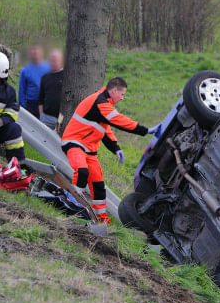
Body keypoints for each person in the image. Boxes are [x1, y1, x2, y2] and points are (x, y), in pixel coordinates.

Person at [60, 77, 153, 224]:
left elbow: (106, 130)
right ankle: (73, 204)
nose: (122, 98)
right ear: (114, 90)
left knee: (98, 184)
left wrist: (116, 148)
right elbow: (118, 120)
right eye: (122, 94)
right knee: (82, 171)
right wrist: (144, 130)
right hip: (74, 143)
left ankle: (103, 219)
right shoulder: (99, 101)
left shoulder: (103, 103)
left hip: (89, 151)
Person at [18, 44, 50, 118]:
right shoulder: (25, 70)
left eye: (37, 53)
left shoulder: (49, 68)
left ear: (42, 53)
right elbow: (21, 90)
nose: (35, 55)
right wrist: (23, 107)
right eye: (33, 53)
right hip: (30, 105)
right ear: (30, 54)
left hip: (45, 104)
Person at [37, 49, 64, 129]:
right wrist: (42, 116)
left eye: (55, 60)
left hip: (62, 118)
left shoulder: (67, 77)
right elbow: (40, 99)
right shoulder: (45, 77)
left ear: (61, 61)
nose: (53, 62)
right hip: (46, 118)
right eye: (51, 60)